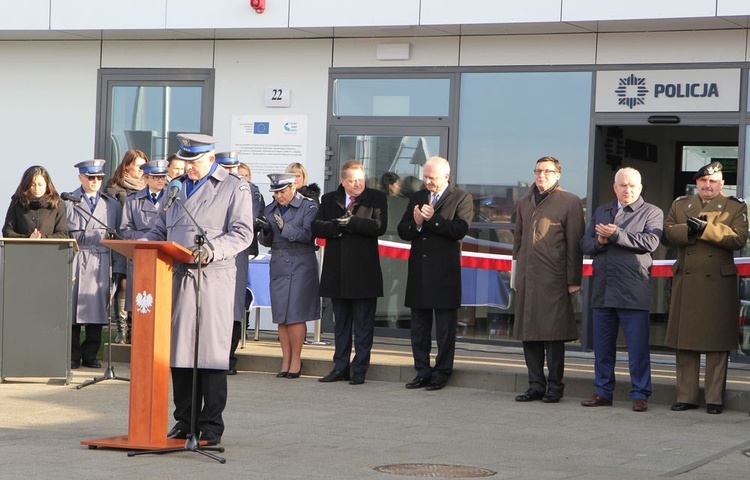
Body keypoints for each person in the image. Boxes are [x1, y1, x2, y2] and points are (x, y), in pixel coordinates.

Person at [145, 134, 253, 446]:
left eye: (193, 161)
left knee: (210, 354)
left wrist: (213, 249)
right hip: (177, 278)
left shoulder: (234, 187)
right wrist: (145, 243)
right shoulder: (174, 187)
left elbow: (243, 233)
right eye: (185, 161)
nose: (188, 167)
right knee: (180, 353)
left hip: (212, 279)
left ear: (210, 158)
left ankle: (211, 426)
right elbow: (161, 226)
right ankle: (184, 421)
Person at [663, 161, 748, 415]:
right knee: (685, 342)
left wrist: (707, 229)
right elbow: (666, 233)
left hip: (717, 284)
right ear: (697, 183)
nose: (707, 185)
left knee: (716, 344)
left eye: (712, 182)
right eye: (703, 181)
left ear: (721, 184)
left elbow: (739, 238)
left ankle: (714, 399)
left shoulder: (735, 206)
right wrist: (688, 231)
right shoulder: (681, 205)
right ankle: (686, 396)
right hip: (687, 282)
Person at [579, 167, 663, 412]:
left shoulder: (652, 212)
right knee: (603, 348)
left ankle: (640, 394)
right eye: (623, 185)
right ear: (615, 187)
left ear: (640, 187)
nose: (628, 190)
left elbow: (650, 242)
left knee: (637, 348)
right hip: (603, 288)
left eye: (633, 186)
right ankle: (602, 392)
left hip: (633, 288)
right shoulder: (601, 210)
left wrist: (616, 234)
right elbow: (585, 244)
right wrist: (600, 241)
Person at [397, 156, 474, 391]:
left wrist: (433, 220)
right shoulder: (418, 197)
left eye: (433, 177)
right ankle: (422, 371)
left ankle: (441, 373)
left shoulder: (461, 197)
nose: (428, 181)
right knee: (419, 329)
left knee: (444, 330)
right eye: (426, 177)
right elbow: (403, 230)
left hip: (444, 275)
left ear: (446, 177)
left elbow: (460, 230)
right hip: (419, 272)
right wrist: (417, 223)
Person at [513, 156, 585, 403]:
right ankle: (535, 384)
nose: (541, 175)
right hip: (527, 277)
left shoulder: (570, 202)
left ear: (558, 175)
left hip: (554, 277)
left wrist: (573, 278)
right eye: (538, 171)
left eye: (547, 171)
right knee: (529, 332)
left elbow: (575, 244)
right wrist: (516, 274)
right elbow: (518, 242)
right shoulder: (524, 202)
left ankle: (555, 386)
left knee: (553, 335)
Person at [314, 161, 388, 385]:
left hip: (364, 272)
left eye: (361, 179)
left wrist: (353, 222)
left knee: (363, 325)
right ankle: (340, 367)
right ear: (343, 181)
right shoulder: (329, 199)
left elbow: (379, 226)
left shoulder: (376, 197)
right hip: (337, 272)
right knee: (342, 324)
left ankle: (360, 370)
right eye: (353, 180)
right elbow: (317, 226)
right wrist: (338, 227)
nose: (358, 184)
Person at [258, 173, 320, 379]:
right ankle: (285, 359)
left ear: (293, 187)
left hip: (300, 262)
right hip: (278, 262)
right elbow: (267, 241)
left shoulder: (308, 206)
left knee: (295, 314)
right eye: (275, 192)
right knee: (281, 316)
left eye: (282, 191)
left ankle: (296, 360)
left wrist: (285, 228)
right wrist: (266, 230)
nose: (278, 196)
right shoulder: (270, 208)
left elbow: (309, 235)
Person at [64, 159, 123, 370]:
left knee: (98, 310)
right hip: (76, 258)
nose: (96, 181)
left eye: (99, 177)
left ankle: (91, 353)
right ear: (81, 178)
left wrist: (118, 269)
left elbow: (118, 239)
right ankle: (72, 354)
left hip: (101, 259)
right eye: (91, 177)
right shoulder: (68, 202)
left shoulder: (112, 204)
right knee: (72, 310)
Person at [215, 151, 264, 375]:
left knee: (233, 306)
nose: (231, 173)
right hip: (211, 256)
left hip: (236, 254)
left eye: (233, 168)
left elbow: (245, 222)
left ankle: (228, 358)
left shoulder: (248, 190)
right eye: (227, 168)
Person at [118, 159, 170, 344]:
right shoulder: (133, 200)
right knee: (139, 298)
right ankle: (135, 335)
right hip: (141, 254)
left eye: (163, 177)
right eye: (156, 177)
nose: (160, 180)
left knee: (161, 298)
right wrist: (146, 236)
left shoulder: (172, 199)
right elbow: (124, 230)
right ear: (146, 178)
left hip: (163, 256)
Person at [106, 149, 147, 343]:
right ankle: (121, 329)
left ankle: (135, 327)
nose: (141, 170)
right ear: (127, 166)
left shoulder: (149, 188)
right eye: (138, 165)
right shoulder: (115, 189)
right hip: (122, 243)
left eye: (143, 166)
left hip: (144, 244)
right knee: (122, 283)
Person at [3, 165, 68, 238]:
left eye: (40, 185)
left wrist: (42, 238)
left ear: (47, 185)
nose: (36, 188)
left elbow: (63, 234)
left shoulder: (56, 204)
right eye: (33, 184)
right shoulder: (17, 202)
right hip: (22, 248)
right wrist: (28, 238)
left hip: (49, 249)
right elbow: (7, 231)